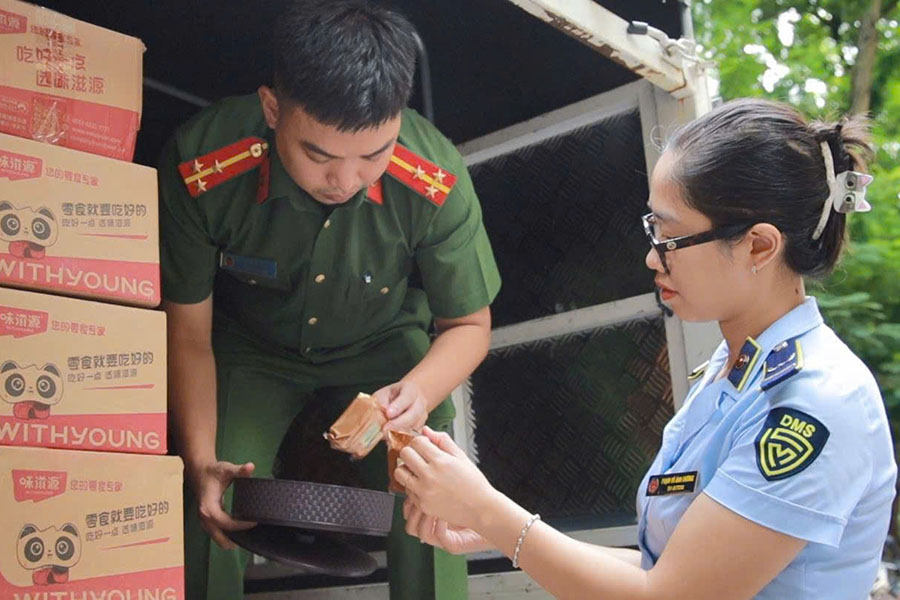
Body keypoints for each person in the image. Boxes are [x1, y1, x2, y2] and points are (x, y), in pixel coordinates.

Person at [394, 98, 896, 599]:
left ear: (758, 246)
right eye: (652, 228)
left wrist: (488, 510)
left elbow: (670, 595)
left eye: (670, 236)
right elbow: (668, 568)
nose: (652, 257)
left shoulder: (816, 404)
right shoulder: (734, 370)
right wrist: (492, 526)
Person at [157, 2, 500, 599]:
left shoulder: (435, 176)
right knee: (213, 490)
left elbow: (469, 323)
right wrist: (198, 457)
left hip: (385, 350)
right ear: (272, 109)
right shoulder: (202, 165)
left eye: (375, 154)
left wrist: (418, 392)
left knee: (433, 487)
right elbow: (187, 332)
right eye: (319, 155)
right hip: (250, 350)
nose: (348, 180)